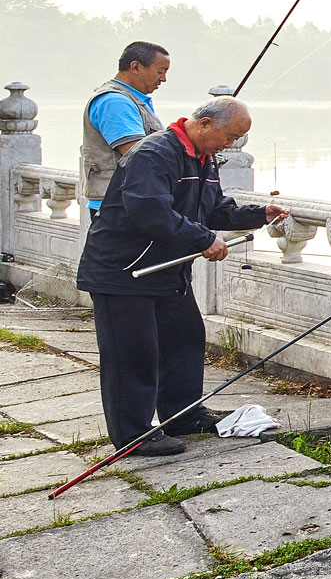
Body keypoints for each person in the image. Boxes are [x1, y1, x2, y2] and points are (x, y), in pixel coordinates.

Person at [76, 96, 288, 454]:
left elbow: (213, 208)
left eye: (237, 139)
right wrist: (203, 239)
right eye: (229, 136)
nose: (230, 145)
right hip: (125, 270)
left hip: (168, 271)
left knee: (186, 338)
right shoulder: (153, 153)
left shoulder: (203, 158)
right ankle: (133, 436)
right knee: (132, 354)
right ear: (204, 124)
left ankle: (184, 415)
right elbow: (149, 211)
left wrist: (259, 214)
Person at [81, 41, 170, 216]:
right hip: (119, 205)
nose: (164, 79)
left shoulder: (132, 100)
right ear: (135, 67)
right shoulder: (115, 102)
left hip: (128, 202)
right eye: (160, 72)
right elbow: (138, 155)